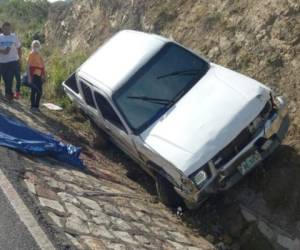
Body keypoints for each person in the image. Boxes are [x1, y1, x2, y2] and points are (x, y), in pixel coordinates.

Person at [0, 22, 22, 101]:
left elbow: (19, 48)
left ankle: (7, 96)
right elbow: (4, 51)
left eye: (9, 29)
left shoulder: (14, 37)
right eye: (5, 29)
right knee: (5, 80)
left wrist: (20, 59)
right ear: (2, 29)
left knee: (9, 79)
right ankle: (10, 94)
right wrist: (3, 51)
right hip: (2, 62)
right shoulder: (0, 37)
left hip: (13, 61)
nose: (7, 30)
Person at [27, 40, 45, 111]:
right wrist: (29, 77)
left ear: (39, 47)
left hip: (39, 75)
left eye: (37, 46)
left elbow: (43, 66)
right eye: (34, 46)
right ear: (32, 46)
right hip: (33, 75)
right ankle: (32, 106)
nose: (36, 47)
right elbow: (28, 66)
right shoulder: (31, 54)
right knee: (34, 91)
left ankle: (36, 106)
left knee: (39, 91)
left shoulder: (39, 55)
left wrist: (43, 75)